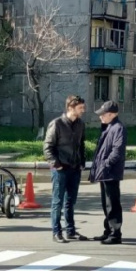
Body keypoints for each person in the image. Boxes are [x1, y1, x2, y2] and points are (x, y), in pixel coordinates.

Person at [43, 95, 87, 243]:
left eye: (83, 107)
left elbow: (81, 145)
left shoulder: (80, 124)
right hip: (60, 169)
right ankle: (56, 232)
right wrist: (57, 164)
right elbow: (47, 147)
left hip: (75, 168)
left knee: (70, 201)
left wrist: (82, 162)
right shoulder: (57, 124)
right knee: (57, 201)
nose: (83, 110)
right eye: (80, 108)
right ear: (70, 108)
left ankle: (71, 231)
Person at [88, 100, 127, 245]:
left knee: (112, 203)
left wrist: (106, 164)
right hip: (104, 171)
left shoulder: (118, 128)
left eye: (103, 114)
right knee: (106, 203)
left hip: (110, 172)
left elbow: (117, 151)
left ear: (111, 114)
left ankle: (115, 234)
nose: (100, 117)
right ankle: (108, 231)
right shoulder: (108, 127)